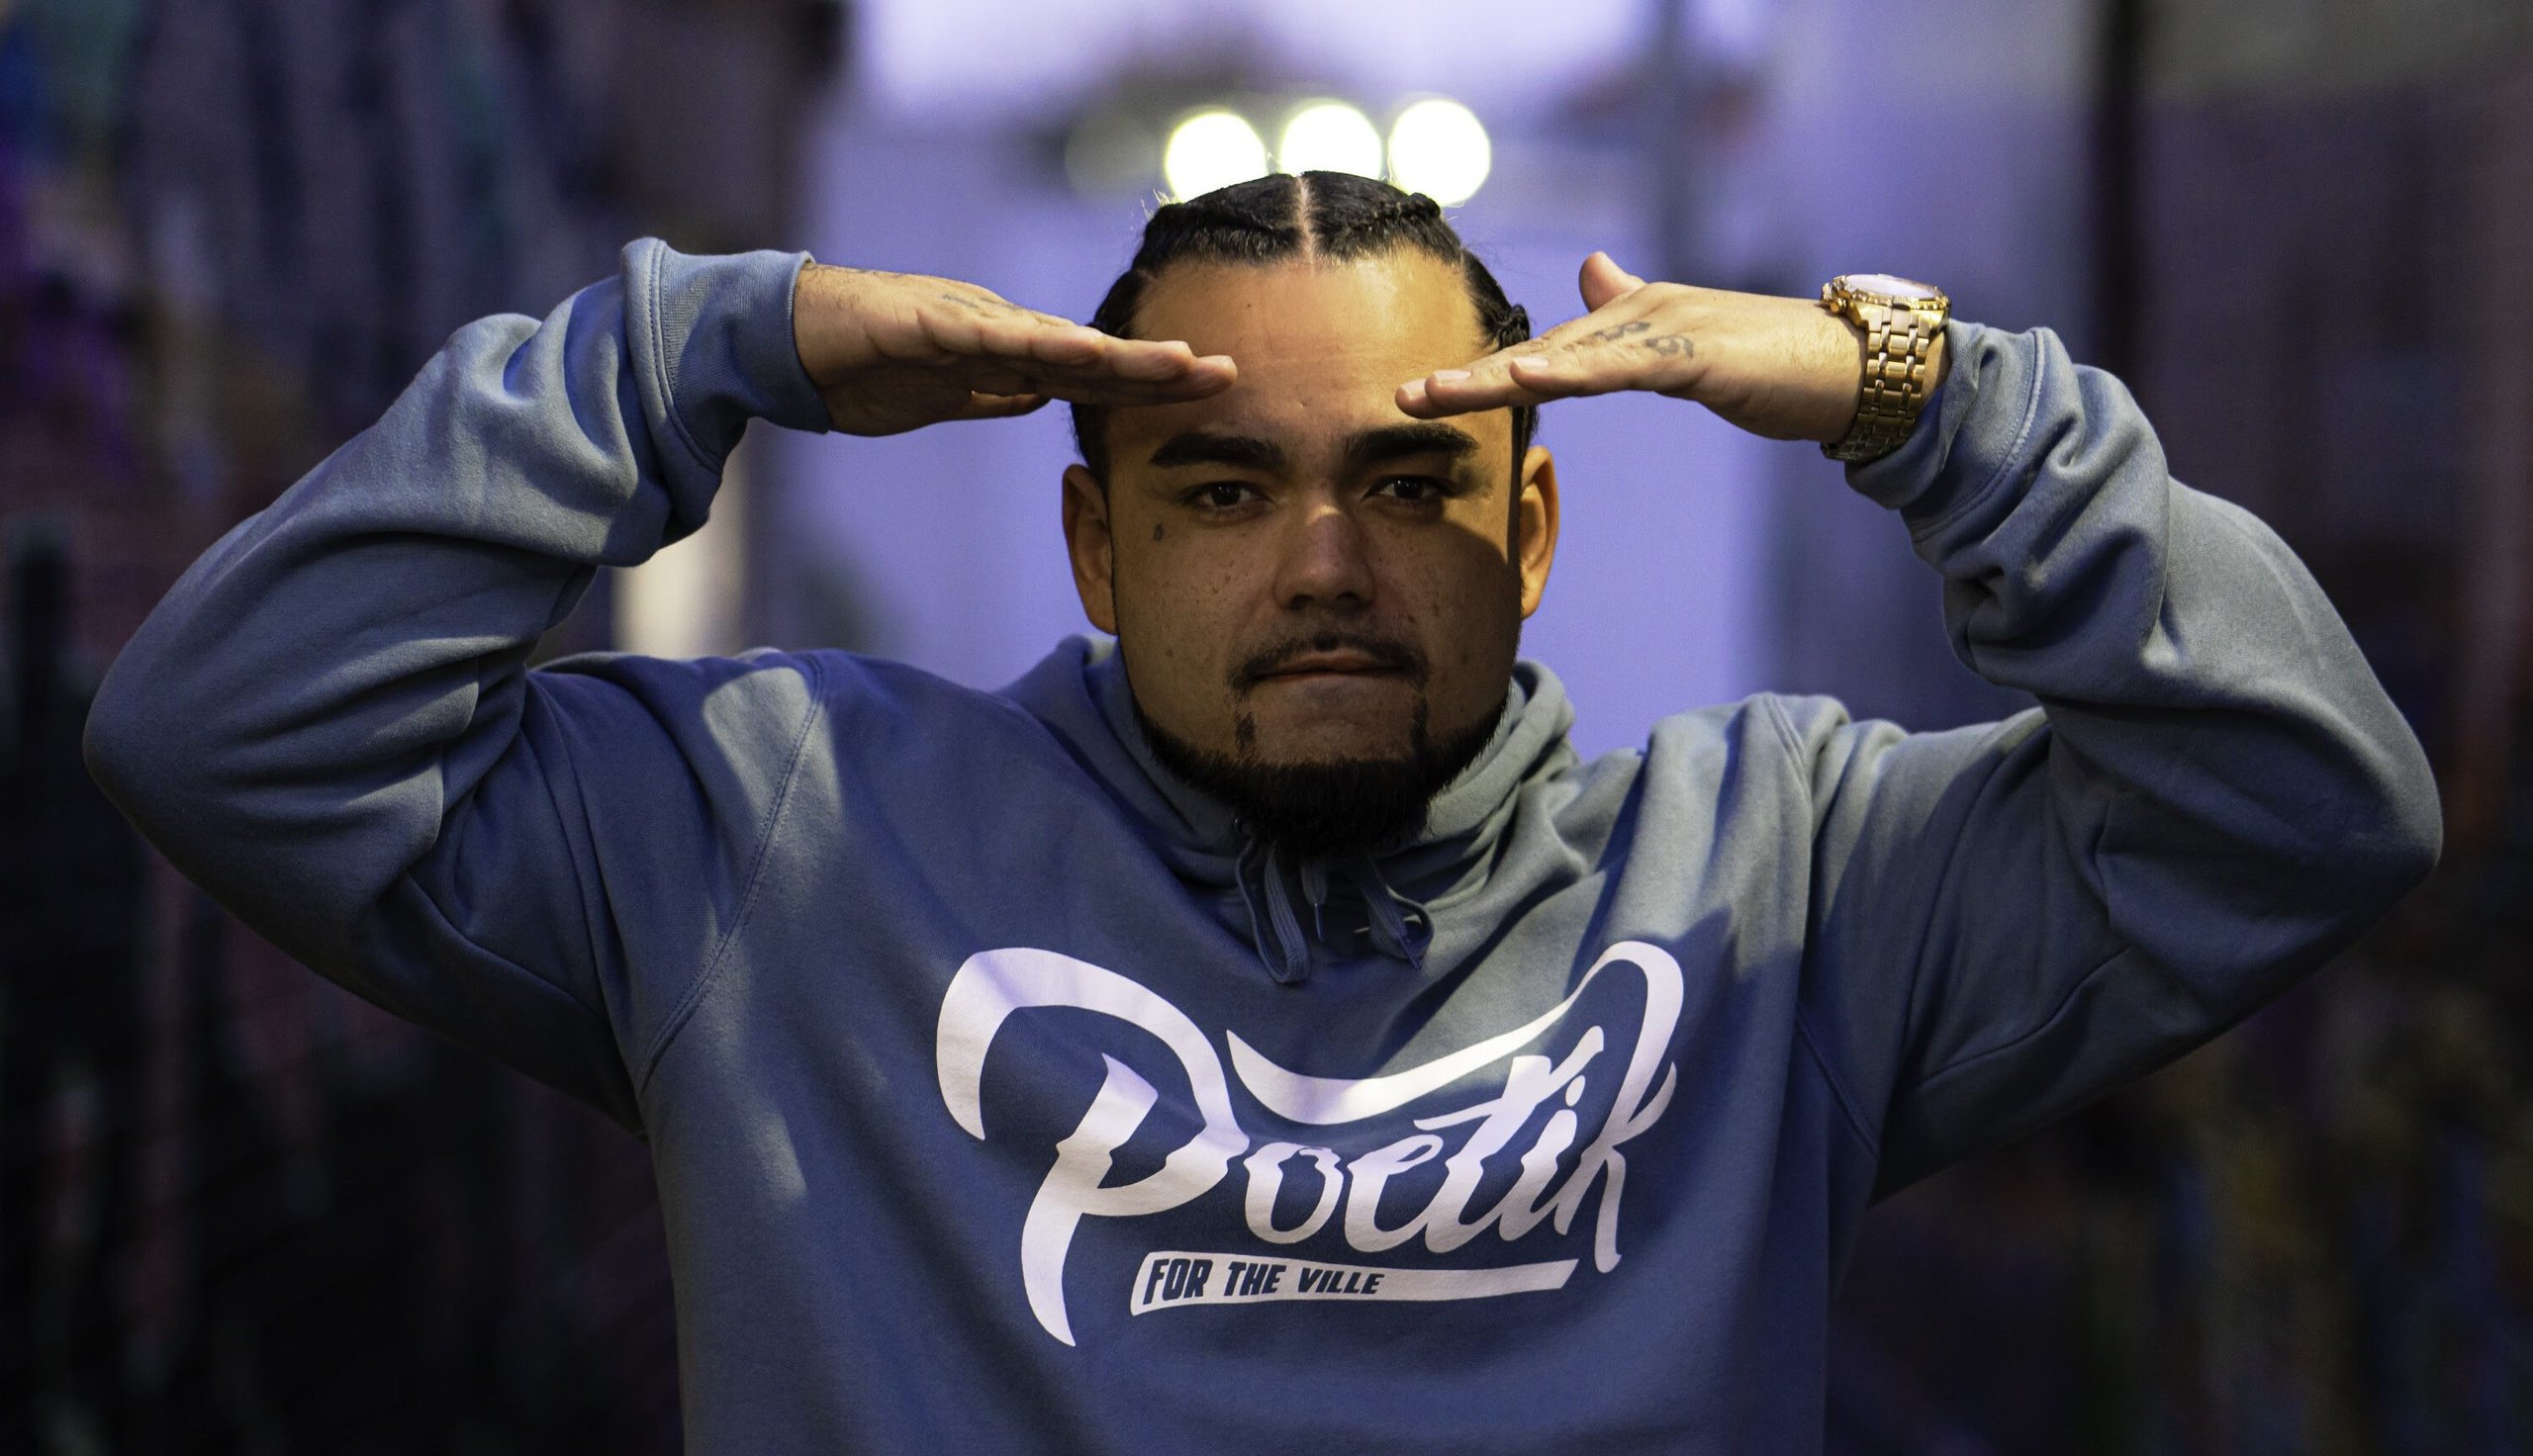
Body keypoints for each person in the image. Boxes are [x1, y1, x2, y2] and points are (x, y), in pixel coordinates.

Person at [83, 171, 2440, 1452]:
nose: (1322, 563)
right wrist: (704, 347)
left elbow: (2302, 809)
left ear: (1527, 534)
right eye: (1220, 489)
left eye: (1409, 482)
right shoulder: (781, 843)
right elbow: (225, 729)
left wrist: (1913, 392)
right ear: (1099, 546)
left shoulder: (1784, 893)